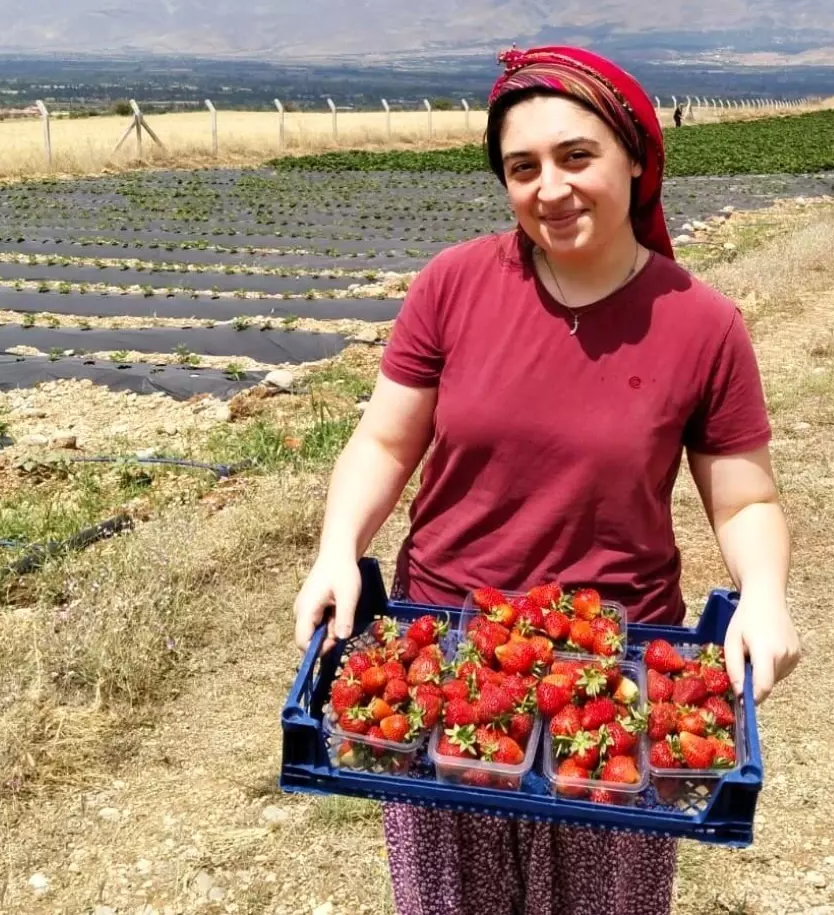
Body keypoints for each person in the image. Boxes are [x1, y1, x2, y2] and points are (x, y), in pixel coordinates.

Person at [294, 44, 801, 915]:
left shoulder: (703, 324)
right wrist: (338, 547)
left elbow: (745, 493)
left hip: (619, 662)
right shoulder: (454, 284)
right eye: (521, 167)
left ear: (635, 158)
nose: (550, 189)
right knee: (453, 897)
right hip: (445, 649)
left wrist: (764, 590)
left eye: (576, 156)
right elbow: (382, 441)